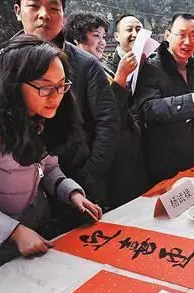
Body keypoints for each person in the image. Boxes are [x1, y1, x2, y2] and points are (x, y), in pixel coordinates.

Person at [0, 35, 102, 282]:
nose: (56, 95)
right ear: (14, 84)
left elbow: (47, 167)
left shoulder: (44, 112)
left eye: (62, 85)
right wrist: (14, 232)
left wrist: (72, 193)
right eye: (45, 86)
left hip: (38, 229)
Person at [14, 0, 120, 213]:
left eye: (53, 8)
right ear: (18, 11)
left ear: (63, 15)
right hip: (17, 193)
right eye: (34, 6)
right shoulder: (3, 63)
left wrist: (88, 174)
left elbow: (108, 121)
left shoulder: (85, 64)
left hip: (76, 186)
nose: (44, 15)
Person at [64, 12, 149, 208]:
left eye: (103, 36)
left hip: (126, 153)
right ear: (77, 38)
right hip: (108, 161)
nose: (102, 42)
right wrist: (120, 78)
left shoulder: (100, 66)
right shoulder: (74, 72)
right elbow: (105, 116)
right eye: (96, 36)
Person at [133, 13, 194, 184]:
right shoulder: (152, 68)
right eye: (182, 35)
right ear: (167, 35)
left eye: (193, 35)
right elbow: (147, 109)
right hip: (168, 163)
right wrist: (186, 103)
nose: (188, 41)